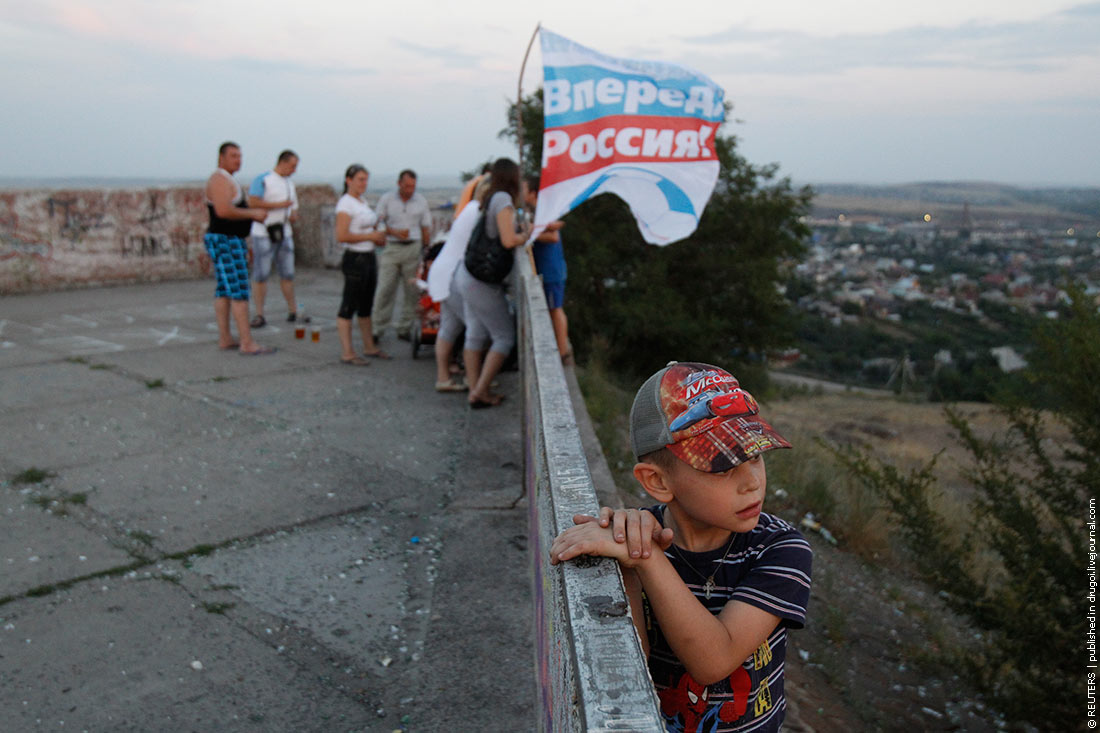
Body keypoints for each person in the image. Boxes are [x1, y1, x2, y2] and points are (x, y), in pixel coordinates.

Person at [550, 361, 812, 732]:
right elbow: (626, 661)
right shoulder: (638, 538)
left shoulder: (781, 549)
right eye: (723, 468)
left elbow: (713, 660)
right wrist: (629, 567)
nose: (752, 482)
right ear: (657, 482)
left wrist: (648, 559)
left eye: (755, 455)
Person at [453, 158, 530, 408]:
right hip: (482, 281)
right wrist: (527, 234)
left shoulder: (491, 198)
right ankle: (480, 391)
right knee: (504, 337)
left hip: (467, 274)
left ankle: (476, 391)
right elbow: (508, 240)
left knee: (475, 334)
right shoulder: (504, 200)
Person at [203, 141, 275, 355]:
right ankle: (246, 342)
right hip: (225, 239)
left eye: (240, 156)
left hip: (229, 238)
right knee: (239, 289)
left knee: (224, 289)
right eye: (233, 155)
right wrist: (253, 214)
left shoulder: (227, 179)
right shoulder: (218, 180)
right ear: (221, 158)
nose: (238, 160)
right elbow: (223, 211)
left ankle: (226, 338)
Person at [427, 176, 491, 392]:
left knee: (450, 327)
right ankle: (475, 380)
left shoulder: (470, 208)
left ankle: (443, 377)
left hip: (443, 273)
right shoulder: (479, 212)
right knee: (477, 329)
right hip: (454, 275)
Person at [334, 164, 389, 365]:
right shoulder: (345, 204)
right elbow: (342, 235)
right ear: (349, 180)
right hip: (355, 258)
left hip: (368, 256)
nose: (364, 184)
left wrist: (377, 236)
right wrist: (370, 236)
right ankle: (347, 352)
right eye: (360, 179)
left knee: (366, 305)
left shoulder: (362, 202)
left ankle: (369, 346)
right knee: (349, 304)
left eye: (366, 180)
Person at [372, 169, 433, 342]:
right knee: (385, 288)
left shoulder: (420, 201)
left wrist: (427, 250)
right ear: (399, 184)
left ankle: (404, 327)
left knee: (411, 291)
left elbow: (425, 226)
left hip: (413, 247)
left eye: (413, 186)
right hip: (392, 246)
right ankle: (378, 327)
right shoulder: (387, 199)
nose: (410, 190)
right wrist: (395, 232)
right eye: (407, 186)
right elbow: (378, 221)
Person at [248, 149, 303, 328]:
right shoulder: (264, 179)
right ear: (283, 162)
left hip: (284, 232)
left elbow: (293, 206)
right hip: (264, 232)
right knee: (261, 273)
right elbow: (253, 202)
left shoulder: (289, 184)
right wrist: (279, 205)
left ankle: (293, 310)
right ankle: (259, 314)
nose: (294, 170)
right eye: (293, 166)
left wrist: (292, 214)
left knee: (287, 273)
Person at [523, 174, 571, 364]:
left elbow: (553, 237)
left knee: (555, 309)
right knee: (552, 308)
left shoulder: (544, 210)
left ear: (533, 193)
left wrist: (528, 233)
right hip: (550, 268)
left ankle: (562, 352)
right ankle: (561, 349)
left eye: (524, 189)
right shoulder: (537, 212)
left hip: (552, 269)